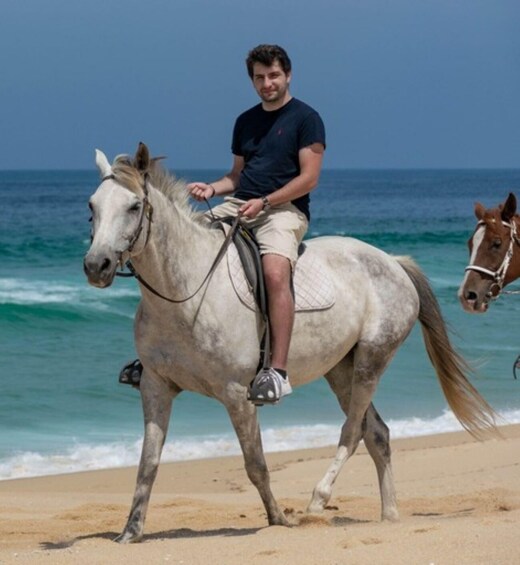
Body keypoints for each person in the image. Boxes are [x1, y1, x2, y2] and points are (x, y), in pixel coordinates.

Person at [187, 44, 326, 405]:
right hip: (238, 204)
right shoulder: (244, 121)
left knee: (275, 273)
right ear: (252, 80)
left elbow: (309, 179)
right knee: (184, 247)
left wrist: (265, 202)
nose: (267, 83)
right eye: (260, 78)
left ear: (288, 74)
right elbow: (237, 175)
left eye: (273, 75)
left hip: (284, 211)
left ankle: (277, 371)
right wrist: (211, 188)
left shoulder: (306, 118)